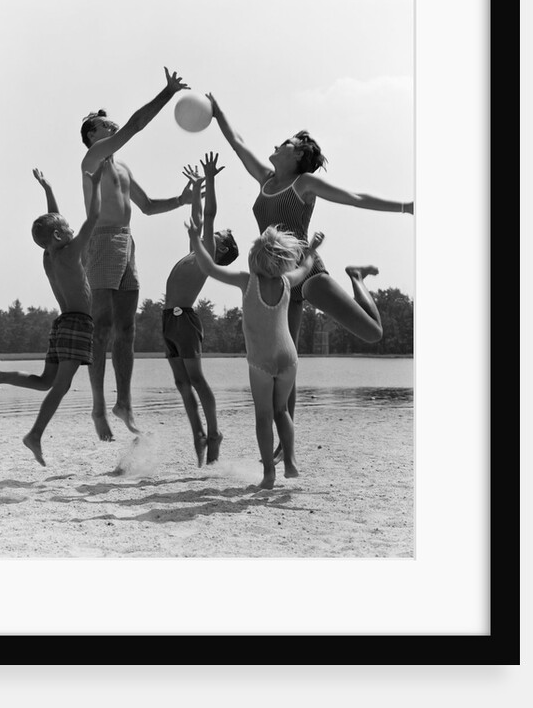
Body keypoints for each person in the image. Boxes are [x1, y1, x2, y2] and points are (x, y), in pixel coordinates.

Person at [205, 92, 413, 459]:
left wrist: (407, 207)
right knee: (288, 360)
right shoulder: (265, 179)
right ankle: (288, 444)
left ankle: (357, 278)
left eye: (284, 143)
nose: (275, 144)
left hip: (307, 272)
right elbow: (236, 143)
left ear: (299, 154)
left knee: (373, 333)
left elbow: (355, 197)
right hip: (277, 278)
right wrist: (217, 111)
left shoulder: (303, 185)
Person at [80, 67, 195, 442]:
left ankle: (124, 403)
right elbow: (135, 125)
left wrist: (183, 199)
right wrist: (167, 93)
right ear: (91, 136)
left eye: (110, 123)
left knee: (126, 329)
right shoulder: (94, 158)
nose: (111, 127)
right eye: (104, 125)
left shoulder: (124, 168)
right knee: (101, 328)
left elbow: (146, 206)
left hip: (127, 243)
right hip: (101, 241)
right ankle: (99, 405)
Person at [0, 163, 104, 466]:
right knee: (60, 386)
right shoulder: (71, 252)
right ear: (62, 235)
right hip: (77, 325)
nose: (74, 231)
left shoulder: (49, 255)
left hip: (62, 324)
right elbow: (95, 218)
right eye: (69, 230)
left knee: (46, 380)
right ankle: (34, 434)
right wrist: (96, 184)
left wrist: (48, 190)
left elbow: (54, 225)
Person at [187, 219, 325, 489]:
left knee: (264, 416)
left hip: (261, 360)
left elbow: (210, 267)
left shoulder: (246, 281)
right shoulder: (287, 281)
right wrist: (313, 249)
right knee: (282, 410)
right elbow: (307, 267)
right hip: (289, 358)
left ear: (256, 258)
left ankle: (269, 475)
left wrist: (194, 239)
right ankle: (291, 461)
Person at [163, 152, 239, 466]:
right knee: (181, 382)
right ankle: (198, 434)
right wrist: (195, 188)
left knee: (196, 380)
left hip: (185, 321)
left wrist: (209, 179)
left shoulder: (206, 254)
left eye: (217, 235)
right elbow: (198, 219)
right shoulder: (197, 252)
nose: (213, 232)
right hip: (168, 320)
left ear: (219, 247)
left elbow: (207, 217)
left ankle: (214, 433)